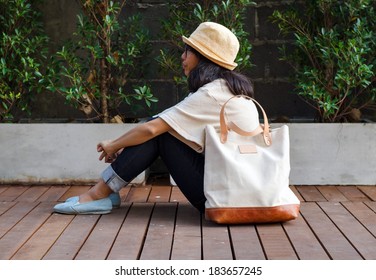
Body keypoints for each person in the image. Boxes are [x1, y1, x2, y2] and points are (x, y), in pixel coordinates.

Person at [53, 22, 260, 215]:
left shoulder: (212, 94)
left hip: (222, 199)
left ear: (202, 57)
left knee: (161, 133)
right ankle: (107, 192)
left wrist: (114, 145)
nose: (182, 57)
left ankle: (97, 195)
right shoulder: (230, 89)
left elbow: (153, 129)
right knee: (162, 127)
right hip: (237, 190)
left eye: (187, 51)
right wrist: (127, 144)